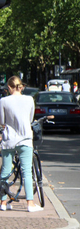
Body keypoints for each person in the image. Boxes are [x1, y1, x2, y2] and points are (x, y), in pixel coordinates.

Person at [0, 76, 42, 212]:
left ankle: (3, 202)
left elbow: (2, 121)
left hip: (9, 140)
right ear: (21, 87)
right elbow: (30, 118)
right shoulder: (29, 99)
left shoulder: (3, 101)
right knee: (27, 172)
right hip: (25, 139)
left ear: (10, 87)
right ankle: (30, 203)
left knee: (5, 171)